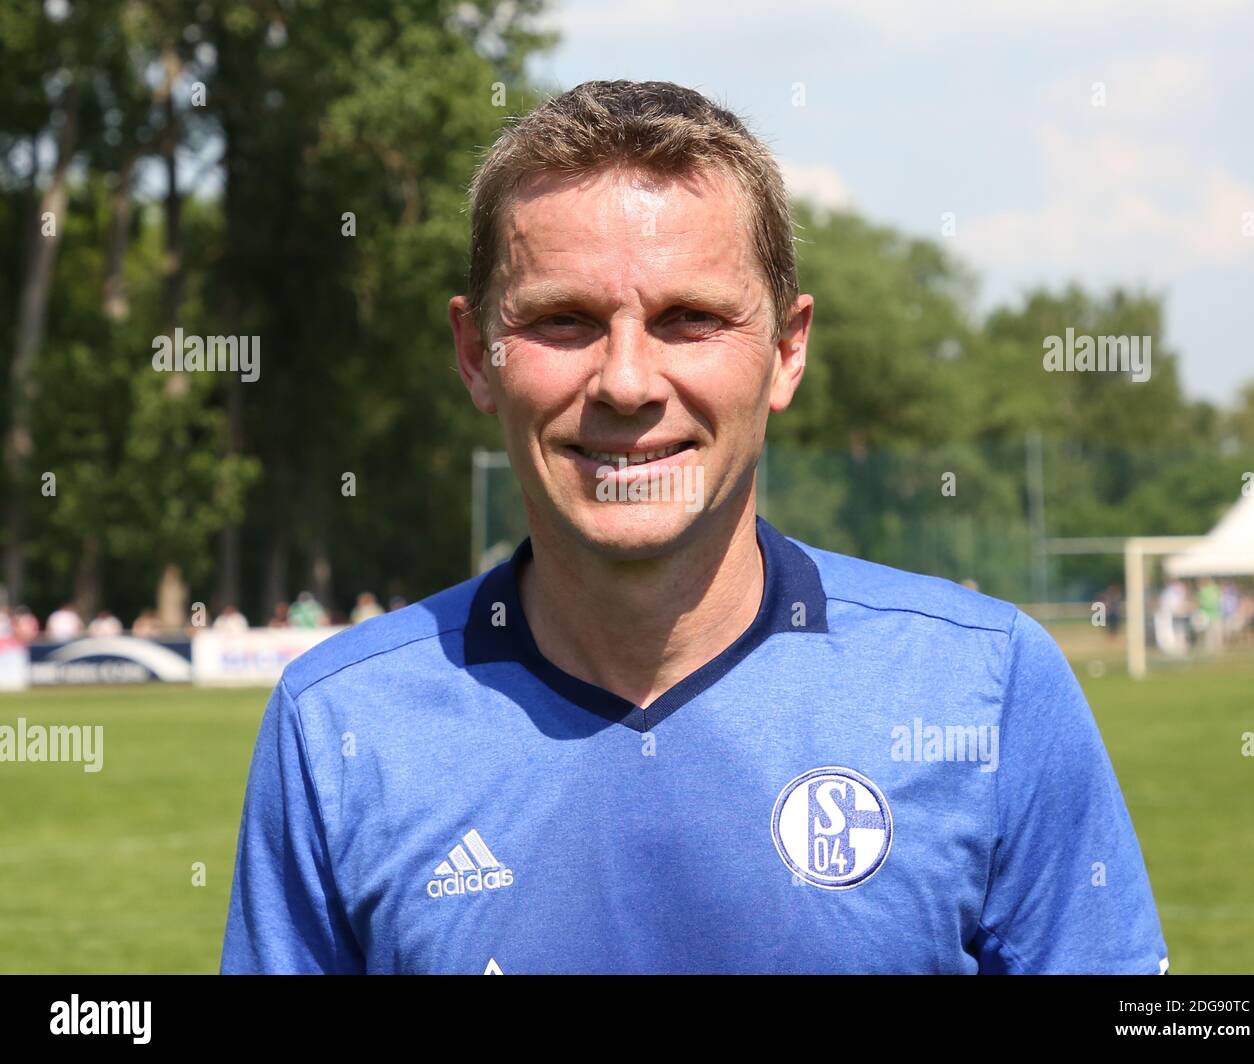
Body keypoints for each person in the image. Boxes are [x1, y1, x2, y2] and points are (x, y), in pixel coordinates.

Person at [222, 80, 1166, 975]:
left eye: (689, 319)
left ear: (787, 352)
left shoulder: (987, 688)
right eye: (563, 321)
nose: (627, 382)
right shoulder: (339, 728)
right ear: (478, 356)